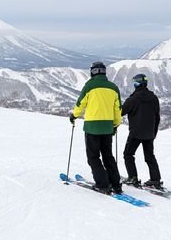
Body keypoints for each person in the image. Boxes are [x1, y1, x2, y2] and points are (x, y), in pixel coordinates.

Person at [69, 61, 122, 194]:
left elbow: (80, 103)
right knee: (108, 156)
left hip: (92, 127)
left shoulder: (89, 86)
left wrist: (74, 116)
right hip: (108, 127)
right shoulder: (113, 88)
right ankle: (116, 184)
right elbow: (118, 109)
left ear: (93, 72)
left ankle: (102, 184)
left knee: (93, 157)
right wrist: (115, 124)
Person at [122, 73, 162, 189]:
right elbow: (157, 117)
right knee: (150, 156)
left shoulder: (133, 99)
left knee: (128, 154)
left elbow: (121, 112)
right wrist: (154, 133)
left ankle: (133, 177)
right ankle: (155, 179)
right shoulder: (154, 98)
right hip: (149, 133)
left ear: (137, 84)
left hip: (136, 133)